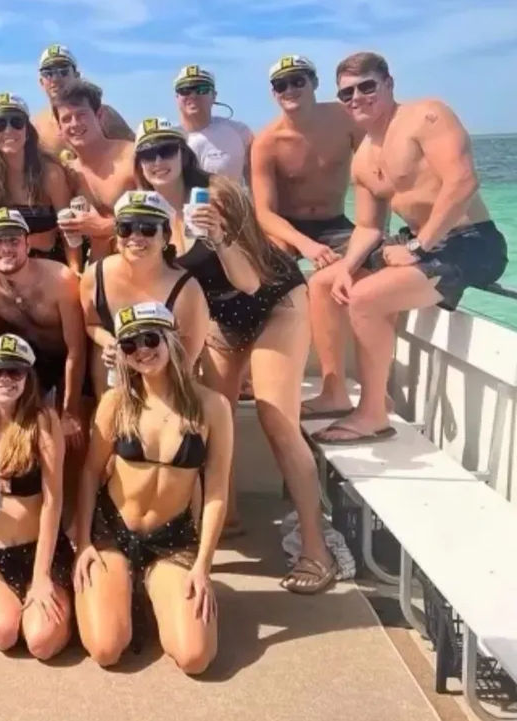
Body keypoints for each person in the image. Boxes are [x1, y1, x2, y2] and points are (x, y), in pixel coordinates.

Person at [134, 117, 336, 592]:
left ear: (184, 155)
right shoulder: (156, 215)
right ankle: (228, 518)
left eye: (167, 150)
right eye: (148, 155)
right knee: (206, 417)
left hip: (274, 304)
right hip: (224, 319)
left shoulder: (218, 195)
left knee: (276, 421)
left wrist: (219, 238)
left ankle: (317, 549)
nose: (158, 161)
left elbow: (249, 281)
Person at [305, 52, 508, 439]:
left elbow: (463, 181)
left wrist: (418, 246)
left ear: (388, 84)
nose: (357, 98)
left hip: (470, 242)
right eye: (347, 93)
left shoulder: (426, 116)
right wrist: (346, 269)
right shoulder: (363, 156)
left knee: (365, 299)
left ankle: (373, 413)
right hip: (418, 243)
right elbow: (367, 226)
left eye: (367, 87)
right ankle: (335, 392)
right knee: (322, 285)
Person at [73, 302, 232, 672]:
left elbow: (217, 492)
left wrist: (203, 566)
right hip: (113, 531)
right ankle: (124, 590)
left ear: (172, 340)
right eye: (129, 345)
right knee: (106, 649)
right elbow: (89, 474)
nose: (141, 350)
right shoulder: (116, 403)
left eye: (149, 338)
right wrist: (82, 543)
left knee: (195, 659)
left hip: (172, 539)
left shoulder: (212, 407)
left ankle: (155, 588)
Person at [0, 334, 72, 660]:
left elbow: (54, 502)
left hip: (41, 552)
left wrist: (42, 576)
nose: (4, 379)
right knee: (3, 633)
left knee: (41, 643)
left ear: (28, 377)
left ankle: (61, 601)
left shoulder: (42, 421)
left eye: (14, 372)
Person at [0, 209, 85, 447]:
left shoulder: (60, 279)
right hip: (28, 365)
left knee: (73, 433)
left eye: (13, 240)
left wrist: (69, 410)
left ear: (28, 244)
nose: (6, 248)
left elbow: (77, 350)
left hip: (68, 361)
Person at [80, 190, 209, 395]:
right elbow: (91, 324)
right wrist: (111, 343)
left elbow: (185, 361)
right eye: (125, 228)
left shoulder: (187, 290)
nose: (136, 237)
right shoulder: (94, 276)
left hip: (167, 390)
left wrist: (140, 359)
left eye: (148, 229)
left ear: (166, 235)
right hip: (111, 390)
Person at [251, 55, 363, 270]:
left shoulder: (345, 120)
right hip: (287, 226)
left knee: (374, 259)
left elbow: (376, 171)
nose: (290, 90)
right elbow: (264, 213)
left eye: (298, 81)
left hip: (335, 223)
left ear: (315, 83)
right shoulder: (266, 143)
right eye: (281, 85)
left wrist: (376, 226)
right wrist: (306, 245)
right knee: (272, 260)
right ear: (274, 93)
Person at [0, 93, 77, 269]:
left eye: (16, 122)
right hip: (4, 266)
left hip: (51, 265)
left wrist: (75, 270)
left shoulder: (49, 173)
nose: (8, 130)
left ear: (27, 130)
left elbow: (69, 230)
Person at [51, 80, 138, 264]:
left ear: (99, 115)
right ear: (59, 128)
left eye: (81, 115)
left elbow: (167, 213)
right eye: (66, 119)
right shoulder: (68, 172)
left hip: (140, 265)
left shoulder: (132, 158)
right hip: (95, 274)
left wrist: (104, 226)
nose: (74, 124)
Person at [29, 45, 132, 159]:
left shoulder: (103, 115)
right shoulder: (38, 126)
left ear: (77, 76)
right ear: (41, 82)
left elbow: (135, 155)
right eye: (48, 73)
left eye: (64, 72)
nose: (55, 79)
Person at [172, 64, 253, 184]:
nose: (193, 95)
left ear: (214, 96)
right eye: (185, 90)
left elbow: (256, 180)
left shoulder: (240, 132)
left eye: (202, 89)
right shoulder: (168, 139)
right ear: (177, 97)